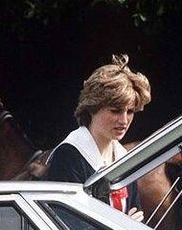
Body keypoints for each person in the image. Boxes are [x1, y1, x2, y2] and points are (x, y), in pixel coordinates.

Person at [48, 54, 149, 221]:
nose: (124, 120)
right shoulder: (69, 156)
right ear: (93, 108)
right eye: (115, 110)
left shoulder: (125, 159)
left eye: (130, 111)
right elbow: (68, 225)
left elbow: (137, 218)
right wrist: (123, 227)